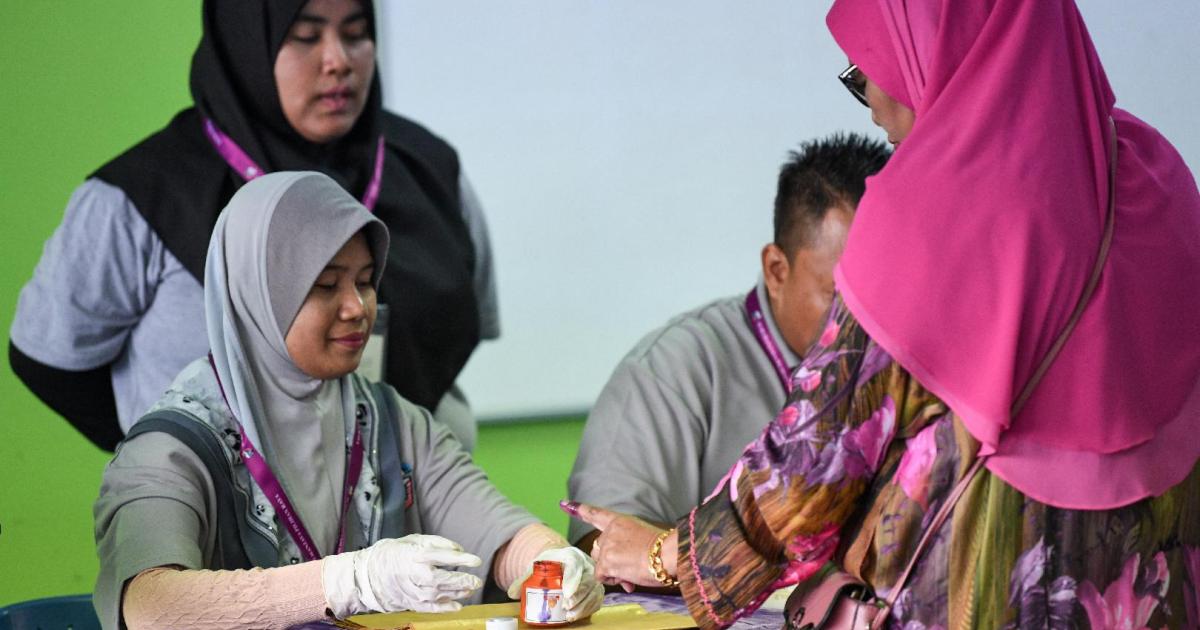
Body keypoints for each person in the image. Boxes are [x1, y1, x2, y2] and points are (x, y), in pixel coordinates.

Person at [571, 0, 1200, 627]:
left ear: (941, 44)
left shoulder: (926, 213)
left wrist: (666, 555)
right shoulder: (1156, 174)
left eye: (871, 68)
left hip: (986, 597)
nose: (871, 101)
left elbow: (812, 468)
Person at [93, 171, 603, 630]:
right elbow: (149, 606)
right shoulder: (173, 446)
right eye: (324, 285)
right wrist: (348, 582)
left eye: (364, 281)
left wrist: (552, 562)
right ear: (258, 295)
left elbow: (498, 531)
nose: (357, 307)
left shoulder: (389, 419)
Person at [9, 0, 493, 452]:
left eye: (356, 33)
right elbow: (50, 363)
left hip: (417, 499)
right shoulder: (140, 196)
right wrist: (174, 464)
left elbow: (471, 320)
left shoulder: (429, 168)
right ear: (243, 42)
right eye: (305, 36)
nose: (338, 61)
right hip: (226, 510)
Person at [566, 134, 889, 551]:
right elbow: (603, 544)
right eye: (840, 298)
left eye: (886, 295)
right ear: (776, 270)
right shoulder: (673, 369)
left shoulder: (914, 368)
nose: (868, 324)